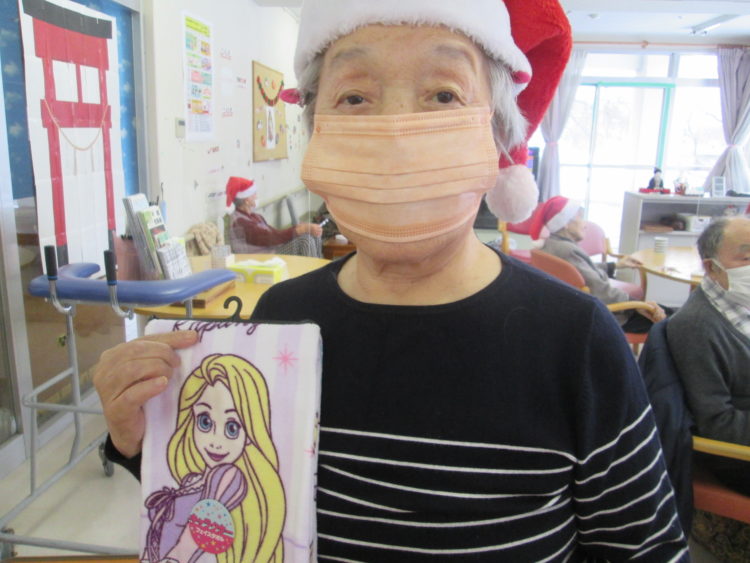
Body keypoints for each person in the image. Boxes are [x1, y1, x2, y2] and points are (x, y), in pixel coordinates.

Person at [94, 1, 687, 559]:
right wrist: (143, 441)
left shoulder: (575, 341)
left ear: (497, 136)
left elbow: (645, 548)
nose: (398, 131)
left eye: (443, 94)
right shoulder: (279, 320)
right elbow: (233, 508)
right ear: (317, 131)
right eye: (354, 97)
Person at [142, 353, 285, 563]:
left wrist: (173, 558)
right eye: (205, 422)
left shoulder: (227, 478)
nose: (216, 442)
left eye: (232, 427)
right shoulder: (192, 479)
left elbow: (197, 534)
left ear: (250, 433)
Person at [667, 216, 750, 493]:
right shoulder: (697, 326)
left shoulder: (739, 302)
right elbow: (717, 423)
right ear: (712, 267)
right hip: (738, 457)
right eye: (746, 258)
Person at [531, 195, 667, 333]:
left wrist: (616, 265)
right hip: (606, 317)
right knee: (670, 321)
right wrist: (639, 304)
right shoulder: (568, 251)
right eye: (581, 218)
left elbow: (581, 272)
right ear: (565, 222)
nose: (585, 225)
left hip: (571, 313)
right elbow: (601, 291)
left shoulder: (551, 245)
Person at [225, 176, 323, 257]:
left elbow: (275, 233)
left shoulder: (255, 216)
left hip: (271, 251)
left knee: (313, 236)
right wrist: (301, 229)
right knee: (305, 241)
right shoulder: (241, 223)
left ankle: (321, 272)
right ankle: (314, 275)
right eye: (253, 194)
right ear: (246, 200)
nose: (256, 196)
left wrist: (300, 228)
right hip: (260, 259)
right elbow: (272, 238)